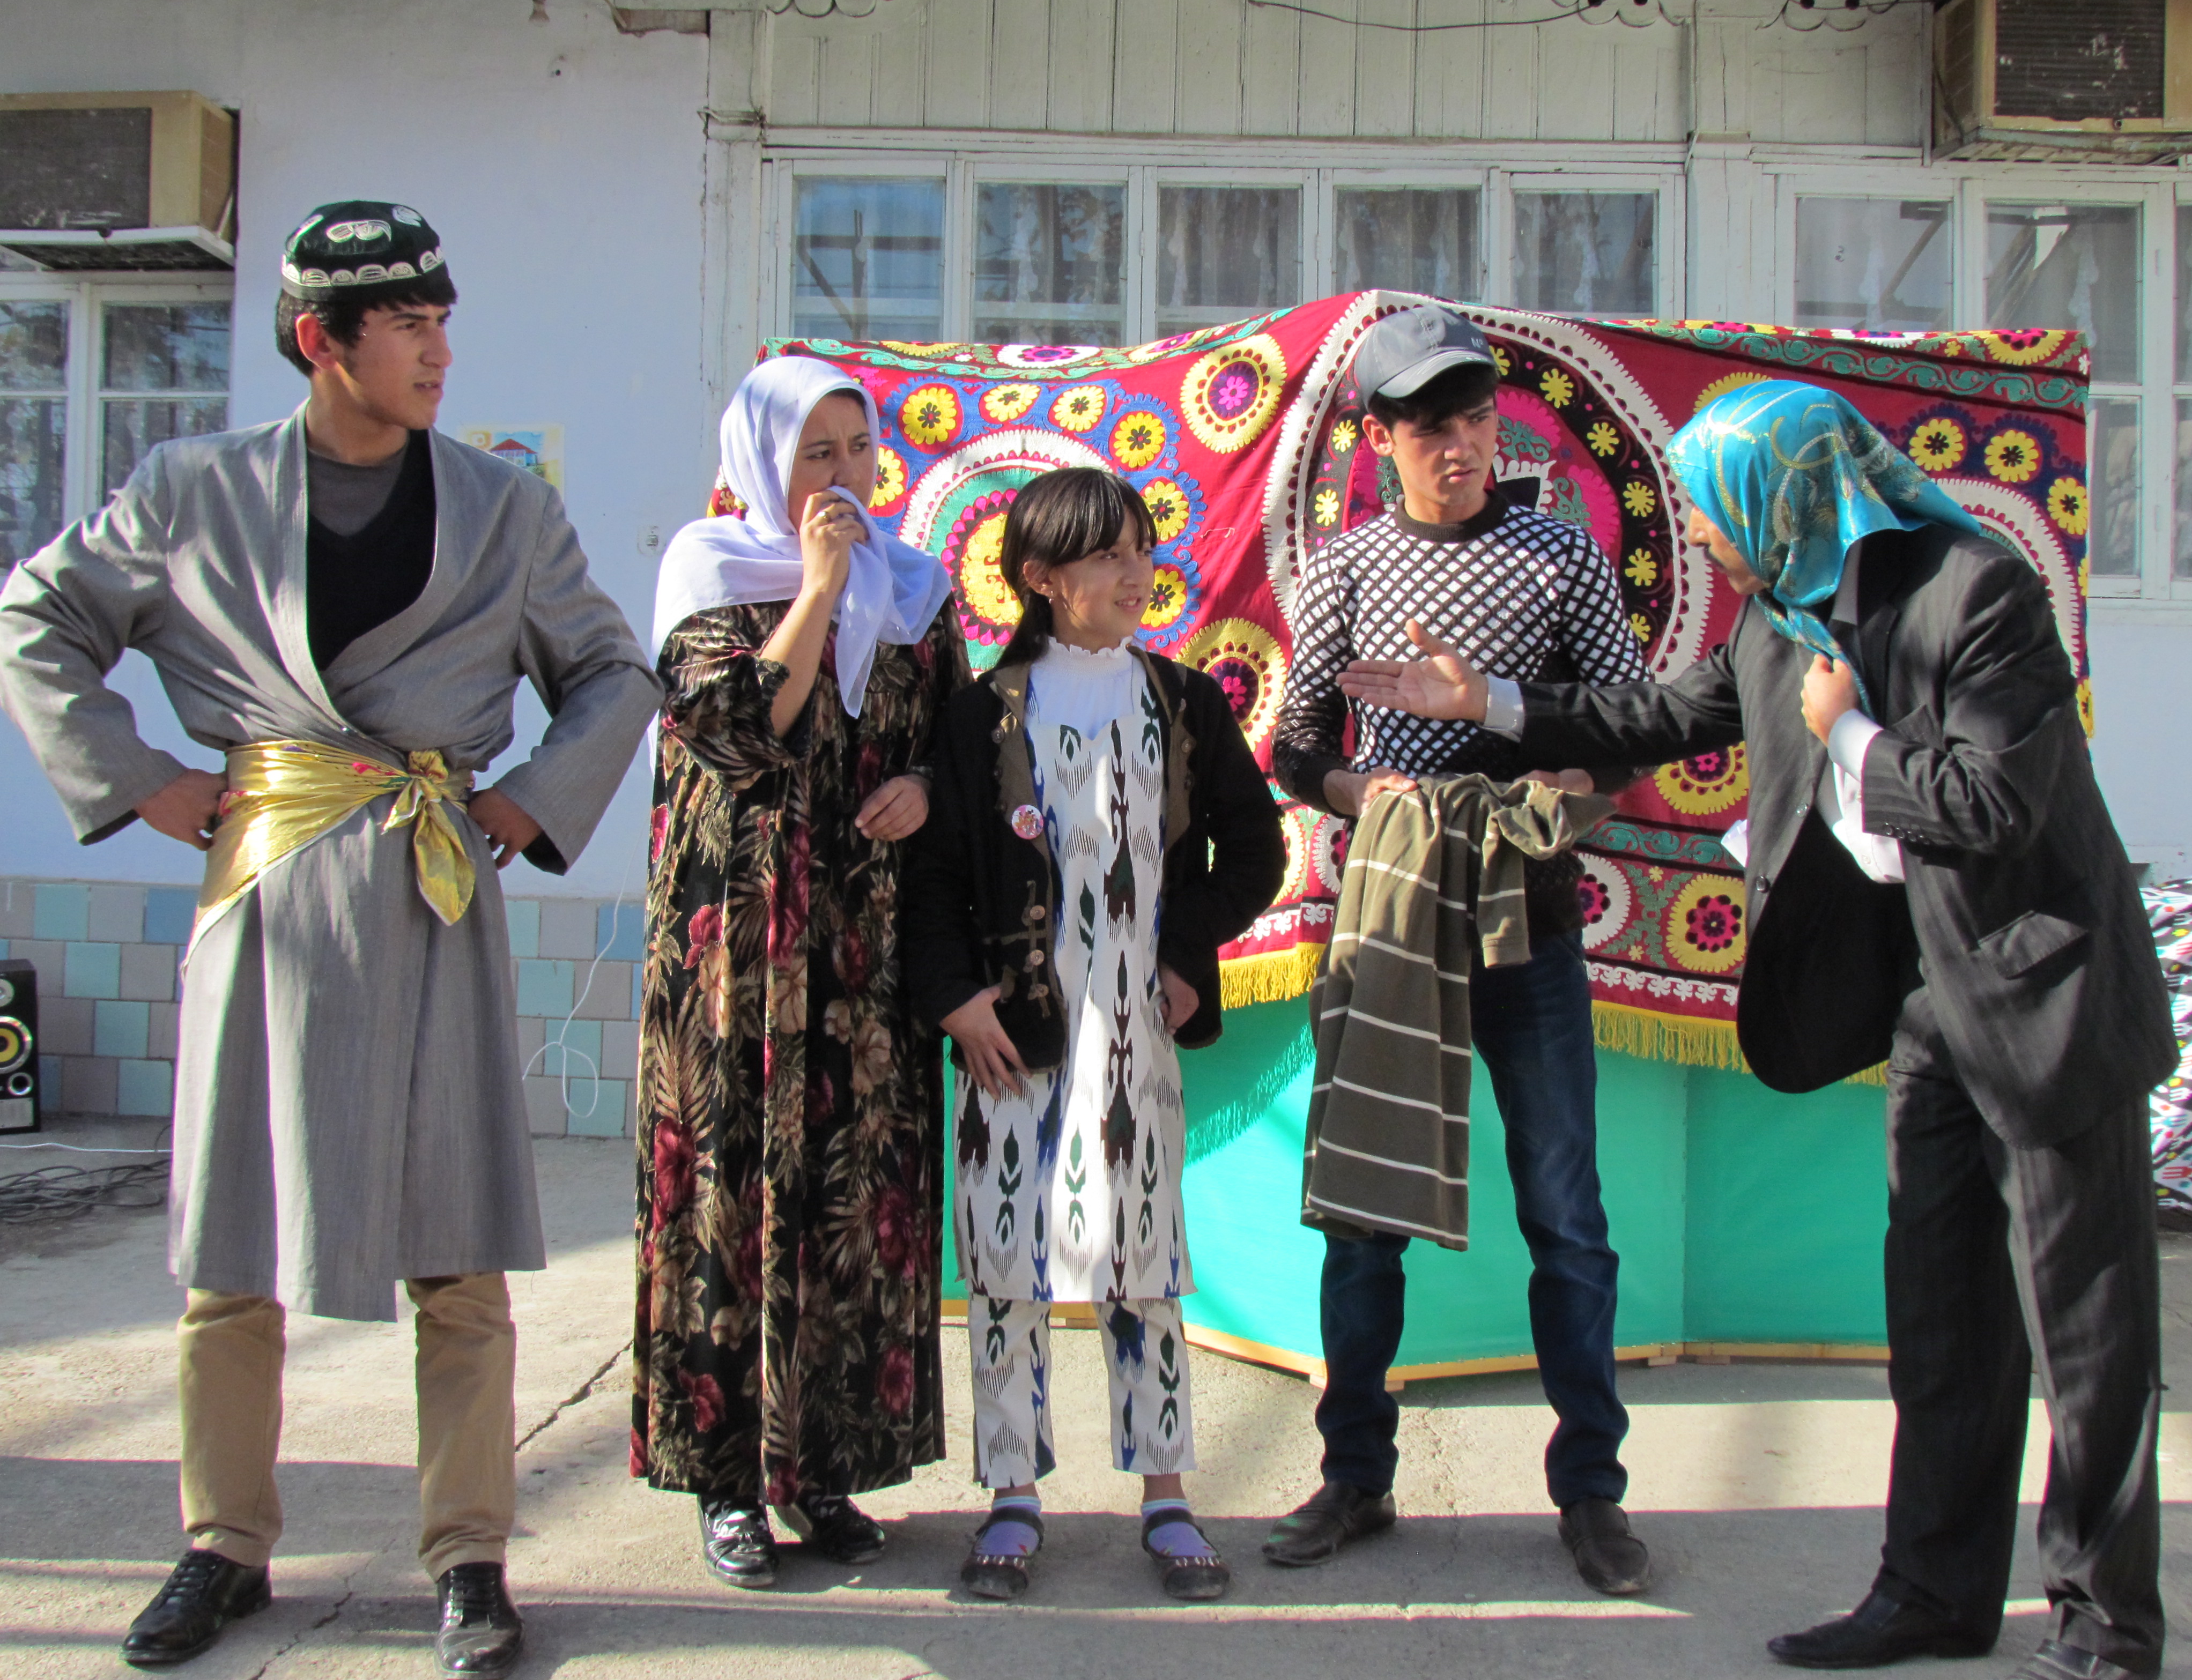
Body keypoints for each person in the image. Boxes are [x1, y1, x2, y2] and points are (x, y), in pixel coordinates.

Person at [1338, 380, 2176, 1680]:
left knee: (2087, 1342)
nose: (1703, 541)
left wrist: (1847, 737)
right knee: (1942, 1323)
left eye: (1713, 514)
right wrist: (1488, 707)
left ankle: (2106, 1628)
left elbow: (1990, 805)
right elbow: (1662, 720)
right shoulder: (1783, 614)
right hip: (1928, 1018)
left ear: (1781, 495)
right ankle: (1933, 1597)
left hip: (2043, 1002)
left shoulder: (1981, 593)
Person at [0, 202, 659, 1677]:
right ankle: (220, 1545)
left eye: (443, 324)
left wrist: (525, 807)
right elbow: (36, 621)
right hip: (269, 894)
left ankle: (470, 1556)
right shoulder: (192, 492)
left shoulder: (505, 508)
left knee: (459, 1252)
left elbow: (614, 672)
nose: (438, 352)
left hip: (435, 898)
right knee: (231, 1250)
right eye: (408, 328)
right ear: (323, 342)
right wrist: (141, 783)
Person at [1261, 304, 1655, 1596]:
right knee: (1363, 1217)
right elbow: (1296, 745)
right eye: (1434, 425)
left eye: (1480, 419)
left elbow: (1623, 725)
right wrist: (1355, 798)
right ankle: (1355, 1477)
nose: (1464, 445)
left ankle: (1592, 1492)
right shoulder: (1347, 572)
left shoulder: (1560, 557)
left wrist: (1546, 785)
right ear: (1380, 439)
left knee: (1566, 1213)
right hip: (1389, 927)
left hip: (1531, 921)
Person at [904, 467, 1285, 1603]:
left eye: (1142, 550)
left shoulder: (1181, 703)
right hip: (1009, 1037)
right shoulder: (981, 715)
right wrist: (956, 1001)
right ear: (1041, 579)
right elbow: (928, 881)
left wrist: (1181, 957)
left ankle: (1167, 1495)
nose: (1136, 572)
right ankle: (1012, 1494)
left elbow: (1253, 853)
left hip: (1134, 1036)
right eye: (1109, 555)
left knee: (1144, 1261)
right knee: (1005, 1257)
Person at [631, 356, 965, 1586]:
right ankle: (725, 1483)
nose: (841, 479)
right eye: (812, 454)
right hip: (738, 949)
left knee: (850, 1197)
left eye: (856, 452)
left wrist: (925, 787)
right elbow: (726, 726)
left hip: (863, 953)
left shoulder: (916, 591)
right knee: (733, 1192)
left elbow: (955, 750)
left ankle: (826, 1470)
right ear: (762, 461)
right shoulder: (709, 572)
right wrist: (819, 588)